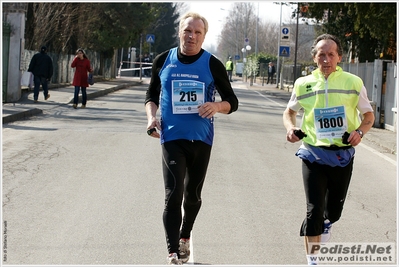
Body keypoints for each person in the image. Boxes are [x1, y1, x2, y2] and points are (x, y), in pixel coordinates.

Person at [144, 12, 239, 265]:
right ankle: (173, 252)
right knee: (173, 194)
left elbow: (233, 102)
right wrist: (151, 118)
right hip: (172, 137)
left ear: (204, 36)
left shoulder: (212, 64)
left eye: (197, 32)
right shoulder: (163, 60)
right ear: (180, 32)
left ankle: (185, 236)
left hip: (201, 139)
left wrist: (217, 107)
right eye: (187, 31)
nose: (192, 36)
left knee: (192, 195)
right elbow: (151, 96)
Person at [282, 34, 375, 265]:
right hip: (312, 152)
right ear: (314, 57)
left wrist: (360, 133)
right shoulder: (302, 84)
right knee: (313, 209)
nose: (326, 59)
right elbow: (289, 111)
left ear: (339, 57)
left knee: (332, 212)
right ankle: (313, 260)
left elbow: (369, 115)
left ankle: (326, 222)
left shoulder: (353, 82)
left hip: (342, 155)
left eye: (331, 54)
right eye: (321, 54)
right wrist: (291, 128)